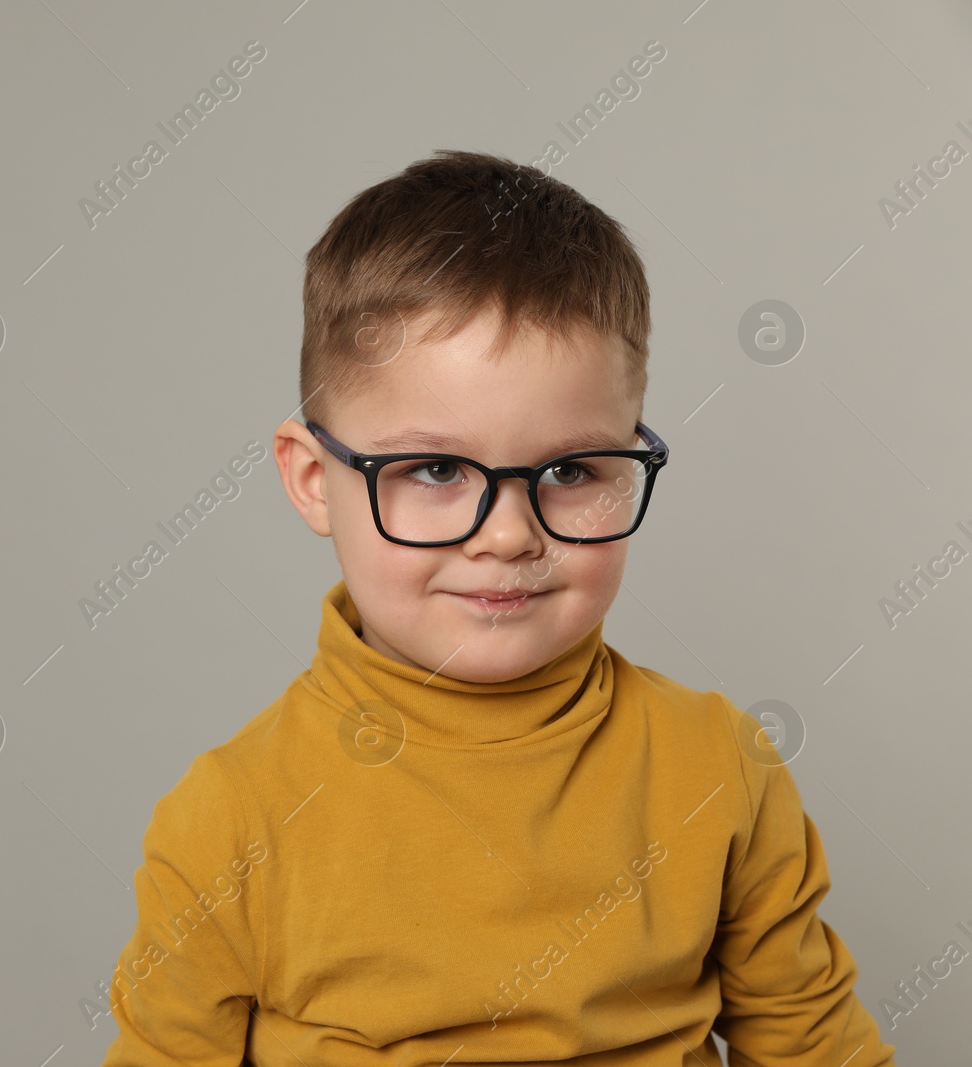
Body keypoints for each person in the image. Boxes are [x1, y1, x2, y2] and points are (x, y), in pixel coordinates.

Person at [95, 149, 898, 1065]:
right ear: (316, 480)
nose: (510, 535)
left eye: (570, 471)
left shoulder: (721, 771)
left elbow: (815, 1048)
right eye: (436, 469)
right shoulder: (231, 819)